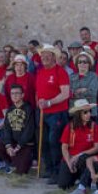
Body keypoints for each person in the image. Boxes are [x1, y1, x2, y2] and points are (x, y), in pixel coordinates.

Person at [34, 45, 72, 178]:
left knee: (54, 142)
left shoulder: (60, 72)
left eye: (48, 54)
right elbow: (38, 92)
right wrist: (39, 103)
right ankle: (49, 169)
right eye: (42, 54)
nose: (44, 57)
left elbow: (65, 93)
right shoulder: (40, 72)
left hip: (57, 113)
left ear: (53, 57)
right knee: (43, 141)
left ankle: (57, 172)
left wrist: (49, 102)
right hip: (42, 112)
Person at [0, 83, 37, 174]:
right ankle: (9, 162)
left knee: (21, 171)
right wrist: (8, 146)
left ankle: (19, 162)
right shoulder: (10, 110)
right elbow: (7, 129)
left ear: (22, 95)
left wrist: (18, 147)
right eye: (12, 93)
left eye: (17, 93)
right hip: (12, 143)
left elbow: (29, 131)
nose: (14, 95)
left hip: (24, 145)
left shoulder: (28, 109)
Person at [57, 100, 98, 191]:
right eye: (85, 112)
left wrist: (79, 155)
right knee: (63, 185)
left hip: (84, 159)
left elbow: (97, 147)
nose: (88, 114)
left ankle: (83, 179)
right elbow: (64, 147)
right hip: (71, 158)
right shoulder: (70, 127)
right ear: (78, 114)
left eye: (89, 111)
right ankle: (75, 178)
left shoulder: (94, 126)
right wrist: (69, 162)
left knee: (82, 159)